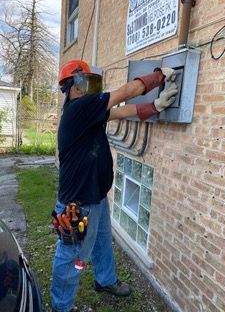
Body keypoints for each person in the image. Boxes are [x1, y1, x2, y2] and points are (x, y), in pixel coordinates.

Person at [51, 59, 178, 312]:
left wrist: (155, 105)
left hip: (95, 196)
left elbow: (122, 111)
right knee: (72, 258)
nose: (89, 88)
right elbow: (125, 94)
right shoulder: (79, 109)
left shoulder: (89, 113)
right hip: (79, 205)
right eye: (84, 82)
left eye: (92, 82)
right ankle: (60, 307)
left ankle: (105, 280)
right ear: (72, 87)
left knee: (101, 241)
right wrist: (158, 76)